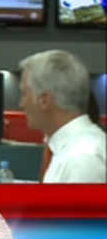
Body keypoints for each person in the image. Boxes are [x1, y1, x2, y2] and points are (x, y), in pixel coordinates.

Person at [18, 50, 105, 183]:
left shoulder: (82, 158)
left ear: (44, 100)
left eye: (24, 94)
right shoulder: (69, 149)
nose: (21, 104)